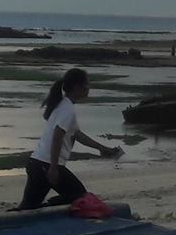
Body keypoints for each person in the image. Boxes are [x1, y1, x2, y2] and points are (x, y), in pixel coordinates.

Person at [16, 68, 124, 210]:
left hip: (37, 163)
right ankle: (49, 208)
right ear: (77, 87)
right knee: (80, 196)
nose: (88, 89)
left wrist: (103, 149)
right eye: (87, 85)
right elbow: (57, 136)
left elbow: (78, 135)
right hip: (47, 165)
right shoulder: (67, 109)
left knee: (28, 207)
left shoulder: (63, 105)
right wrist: (54, 168)